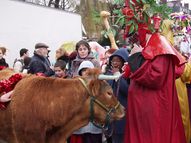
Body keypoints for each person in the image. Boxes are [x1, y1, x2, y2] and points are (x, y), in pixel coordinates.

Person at [70, 60, 103, 143]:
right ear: (80, 72)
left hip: (94, 123)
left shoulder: (99, 84)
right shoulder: (75, 84)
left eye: (88, 70)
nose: (86, 72)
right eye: (84, 70)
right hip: (80, 124)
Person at [104, 48, 129, 143]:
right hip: (111, 116)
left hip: (123, 116)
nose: (115, 63)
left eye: (118, 60)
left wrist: (118, 76)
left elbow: (127, 90)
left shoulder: (127, 75)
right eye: (113, 60)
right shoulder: (108, 74)